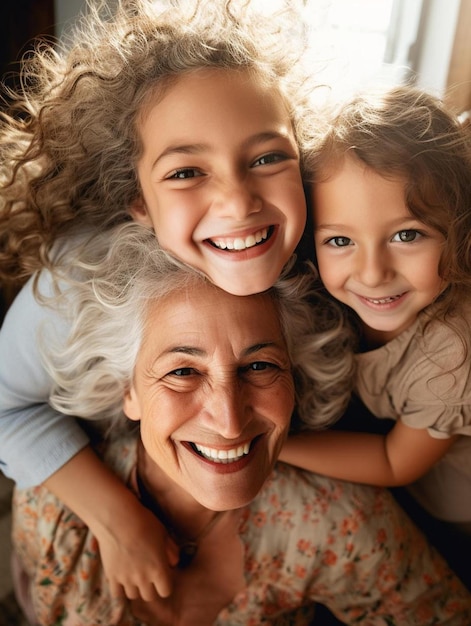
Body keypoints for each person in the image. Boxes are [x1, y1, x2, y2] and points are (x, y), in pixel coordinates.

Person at [0, 0, 317, 600]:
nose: (239, 201)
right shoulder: (76, 284)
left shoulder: (323, 250)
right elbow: (5, 406)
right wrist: (120, 521)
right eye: (185, 172)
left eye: (269, 158)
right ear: (137, 200)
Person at [11, 222, 471, 625]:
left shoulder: (341, 524)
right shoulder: (52, 511)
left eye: (259, 367)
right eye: (183, 372)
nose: (230, 422)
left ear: (295, 377)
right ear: (127, 390)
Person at [280, 85, 471, 540]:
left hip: (452, 511)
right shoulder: (323, 293)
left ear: (459, 230)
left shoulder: (454, 352)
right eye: (341, 241)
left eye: (407, 236)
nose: (372, 273)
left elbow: (393, 461)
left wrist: (276, 446)